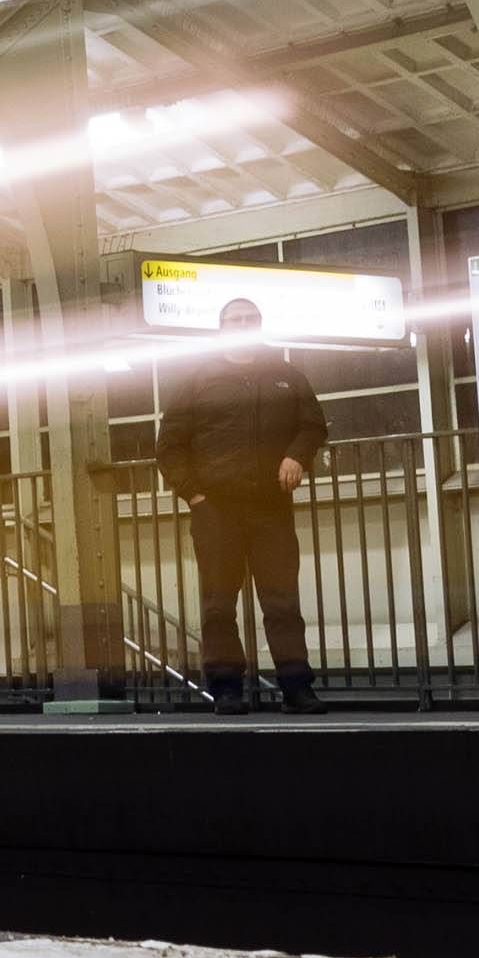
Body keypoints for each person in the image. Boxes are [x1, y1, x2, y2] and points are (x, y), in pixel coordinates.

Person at [157, 298, 326, 713]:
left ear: (260, 323)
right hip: (215, 509)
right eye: (235, 320)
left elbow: (313, 425)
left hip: (271, 508)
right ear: (222, 327)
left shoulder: (286, 375)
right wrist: (193, 494)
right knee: (218, 604)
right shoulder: (197, 379)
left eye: (250, 319)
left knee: (283, 601)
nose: (243, 325)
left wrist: (297, 455)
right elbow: (169, 445)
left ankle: (296, 689)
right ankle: (226, 690)